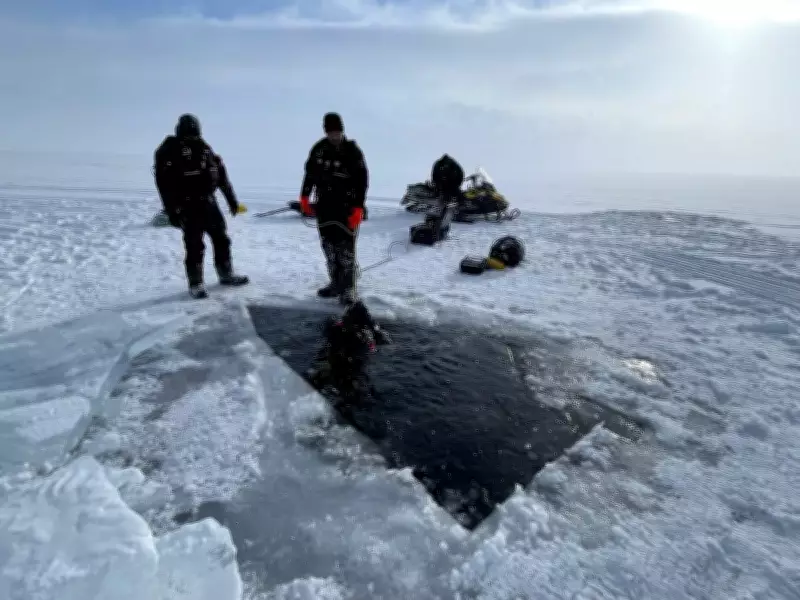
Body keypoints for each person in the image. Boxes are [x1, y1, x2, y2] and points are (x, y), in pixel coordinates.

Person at [153, 114, 249, 299]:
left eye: (194, 132)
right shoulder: (169, 150)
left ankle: (226, 274)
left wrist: (232, 201)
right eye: (189, 132)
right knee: (194, 244)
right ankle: (196, 283)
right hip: (187, 204)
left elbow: (221, 175)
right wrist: (172, 210)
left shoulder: (204, 148)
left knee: (221, 239)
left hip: (209, 202)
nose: (192, 136)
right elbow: (163, 184)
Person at [299, 112, 369, 305]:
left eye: (337, 132)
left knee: (345, 250)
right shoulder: (318, 150)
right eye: (330, 132)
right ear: (325, 131)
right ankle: (335, 283)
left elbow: (362, 181)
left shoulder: (352, 151)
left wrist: (358, 208)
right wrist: (305, 196)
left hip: (346, 207)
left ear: (342, 130)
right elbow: (309, 175)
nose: (334, 136)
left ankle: (348, 288)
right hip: (325, 207)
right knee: (329, 248)